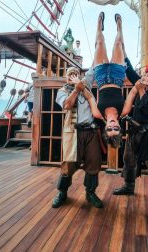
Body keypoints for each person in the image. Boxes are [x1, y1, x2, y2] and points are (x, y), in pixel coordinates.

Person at [113, 61, 148, 226]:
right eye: (147, 72)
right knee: (128, 160)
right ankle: (129, 186)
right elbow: (130, 72)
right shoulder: (141, 82)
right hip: (134, 132)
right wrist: (124, 57)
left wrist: (140, 89)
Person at [52, 66, 103, 209]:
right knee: (68, 164)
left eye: (75, 74)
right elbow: (67, 105)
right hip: (74, 132)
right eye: (70, 75)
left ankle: (90, 192)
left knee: (94, 162)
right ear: (66, 78)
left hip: (91, 131)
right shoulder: (62, 91)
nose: (72, 76)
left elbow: (93, 68)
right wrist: (76, 89)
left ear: (79, 76)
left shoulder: (85, 84)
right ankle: (62, 193)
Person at [78, 12, 128, 148]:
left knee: (99, 44)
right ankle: (119, 27)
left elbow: (89, 97)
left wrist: (79, 86)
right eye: (116, 129)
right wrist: (140, 84)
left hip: (100, 77)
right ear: (119, 127)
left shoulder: (97, 113)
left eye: (109, 129)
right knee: (118, 44)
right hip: (117, 77)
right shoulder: (124, 111)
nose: (112, 126)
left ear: (105, 128)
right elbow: (134, 92)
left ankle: (99, 25)